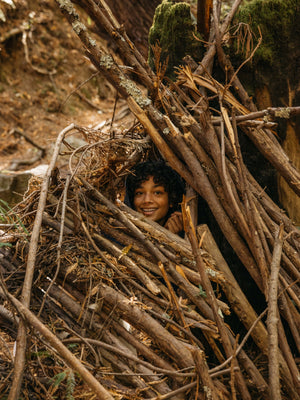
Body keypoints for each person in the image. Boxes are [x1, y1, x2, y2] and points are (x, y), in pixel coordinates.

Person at [125, 160, 185, 235]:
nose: (147, 200)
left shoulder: (188, 237)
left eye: (157, 193)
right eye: (140, 193)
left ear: (171, 199)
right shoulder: (120, 234)